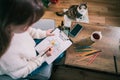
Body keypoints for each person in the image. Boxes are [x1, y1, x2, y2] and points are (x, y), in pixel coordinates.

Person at [0, 0, 54, 79]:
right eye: (28, 24)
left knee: (53, 40)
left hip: (28, 51)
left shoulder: (7, 23)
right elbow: (23, 71)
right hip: (25, 67)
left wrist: (43, 33)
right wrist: (43, 56)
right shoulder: (7, 58)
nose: (31, 25)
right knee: (59, 54)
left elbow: (28, 30)